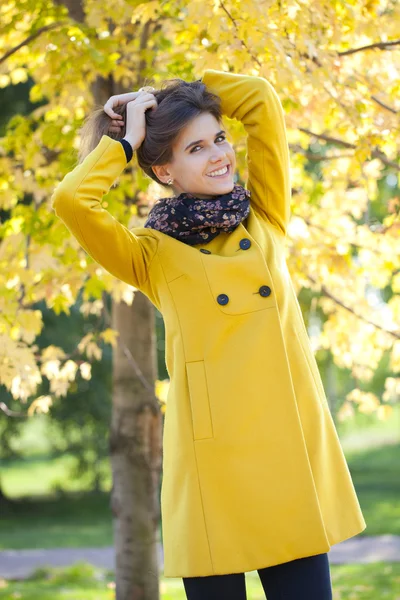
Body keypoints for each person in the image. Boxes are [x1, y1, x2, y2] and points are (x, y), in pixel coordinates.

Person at [51, 69, 366, 600]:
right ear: (164, 169)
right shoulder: (148, 255)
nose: (220, 154)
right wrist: (125, 141)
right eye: (196, 148)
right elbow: (72, 201)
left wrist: (170, 95)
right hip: (210, 472)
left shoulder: (263, 217)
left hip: (286, 464)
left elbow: (262, 100)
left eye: (220, 138)